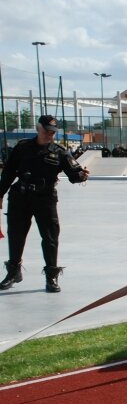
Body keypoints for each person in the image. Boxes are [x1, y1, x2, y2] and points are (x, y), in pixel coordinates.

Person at [0, 115, 90, 292]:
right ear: (38, 128)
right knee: (16, 235)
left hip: (45, 198)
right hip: (20, 197)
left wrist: (82, 175)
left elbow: (74, 175)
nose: (50, 134)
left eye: (53, 132)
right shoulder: (23, 147)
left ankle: (51, 277)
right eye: (47, 131)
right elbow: (9, 172)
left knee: (50, 238)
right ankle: (13, 272)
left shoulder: (59, 151)